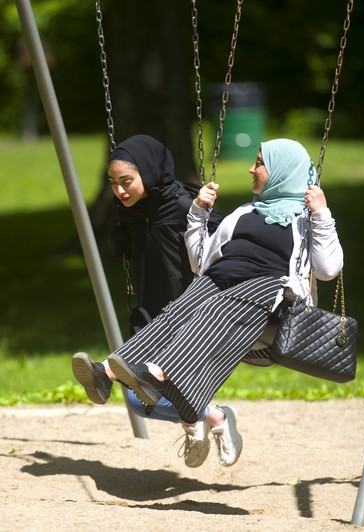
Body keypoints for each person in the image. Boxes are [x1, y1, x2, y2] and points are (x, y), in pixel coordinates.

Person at [73, 138, 343, 466]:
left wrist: (322, 214)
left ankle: (158, 374)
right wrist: (199, 213)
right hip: (222, 289)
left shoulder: (306, 220)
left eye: (259, 163)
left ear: (282, 171)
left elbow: (329, 269)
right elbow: (200, 262)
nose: (251, 169)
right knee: (184, 305)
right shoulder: (243, 214)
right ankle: (106, 374)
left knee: (217, 303)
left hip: (273, 303)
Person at [72, 134, 241, 468]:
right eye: (113, 183)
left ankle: (212, 419)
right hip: (151, 313)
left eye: (126, 182)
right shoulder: (133, 212)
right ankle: (208, 418)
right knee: (138, 402)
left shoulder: (183, 207)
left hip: (187, 315)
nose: (119, 191)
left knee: (150, 389)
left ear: (148, 174)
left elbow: (228, 245)